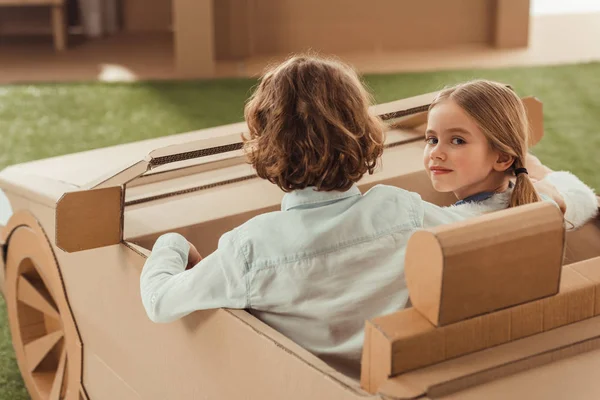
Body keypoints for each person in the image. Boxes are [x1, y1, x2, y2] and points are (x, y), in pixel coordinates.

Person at [140, 57, 597, 379]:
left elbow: (159, 301)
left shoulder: (247, 248)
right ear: (365, 135)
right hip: (393, 375)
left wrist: (174, 243)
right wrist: (540, 181)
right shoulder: (401, 211)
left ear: (263, 145)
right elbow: (497, 227)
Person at [423, 79, 596, 226]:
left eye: (458, 141)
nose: (435, 153)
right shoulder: (532, 200)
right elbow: (584, 198)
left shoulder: (453, 223)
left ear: (503, 158)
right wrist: (545, 184)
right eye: (432, 140)